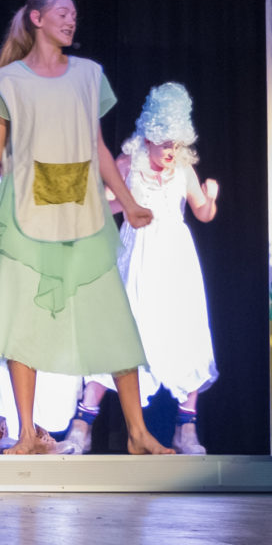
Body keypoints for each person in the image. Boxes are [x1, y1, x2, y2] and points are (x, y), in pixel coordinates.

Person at [0, 0, 172, 455]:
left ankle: (137, 432)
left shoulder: (88, 74)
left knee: (111, 318)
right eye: (62, 12)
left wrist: (129, 201)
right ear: (37, 19)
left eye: (74, 14)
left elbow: (98, 147)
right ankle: (27, 433)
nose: (71, 20)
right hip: (25, 213)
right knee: (22, 320)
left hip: (80, 212)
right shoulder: (8, 81)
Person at [62, 82, 219, 455]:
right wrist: (122, 203)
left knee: (186, 334)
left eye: (176, 143)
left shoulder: (183, 170)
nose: (171, 151)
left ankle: (186, 430)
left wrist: (211, 198)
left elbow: (203, 212)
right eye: (164, 143)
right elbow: (102, 208)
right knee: (123, 334)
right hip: (137, 258)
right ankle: (82, 425)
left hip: (176, 261)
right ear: (149, 136)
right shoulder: (127, 164)